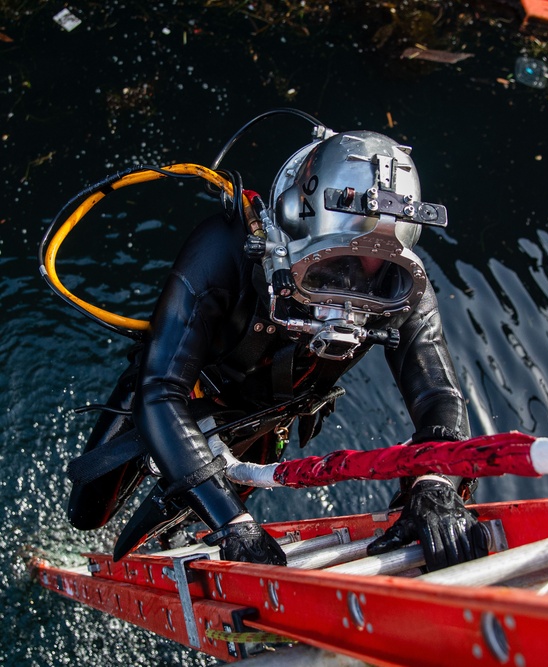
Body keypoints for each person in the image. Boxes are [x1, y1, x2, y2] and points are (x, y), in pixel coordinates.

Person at [66, 128, 487, 570]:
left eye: (378, 277)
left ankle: (181, 533)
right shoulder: (223, 248)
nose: (350, 296)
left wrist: (436, 480)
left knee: (190, 519)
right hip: (180, 396)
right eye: (336, 268)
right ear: (291, 239)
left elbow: (438, 396)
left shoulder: (404, 287)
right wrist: (236, 525)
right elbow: (160, 387)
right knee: (87, 514)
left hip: (260, 425)